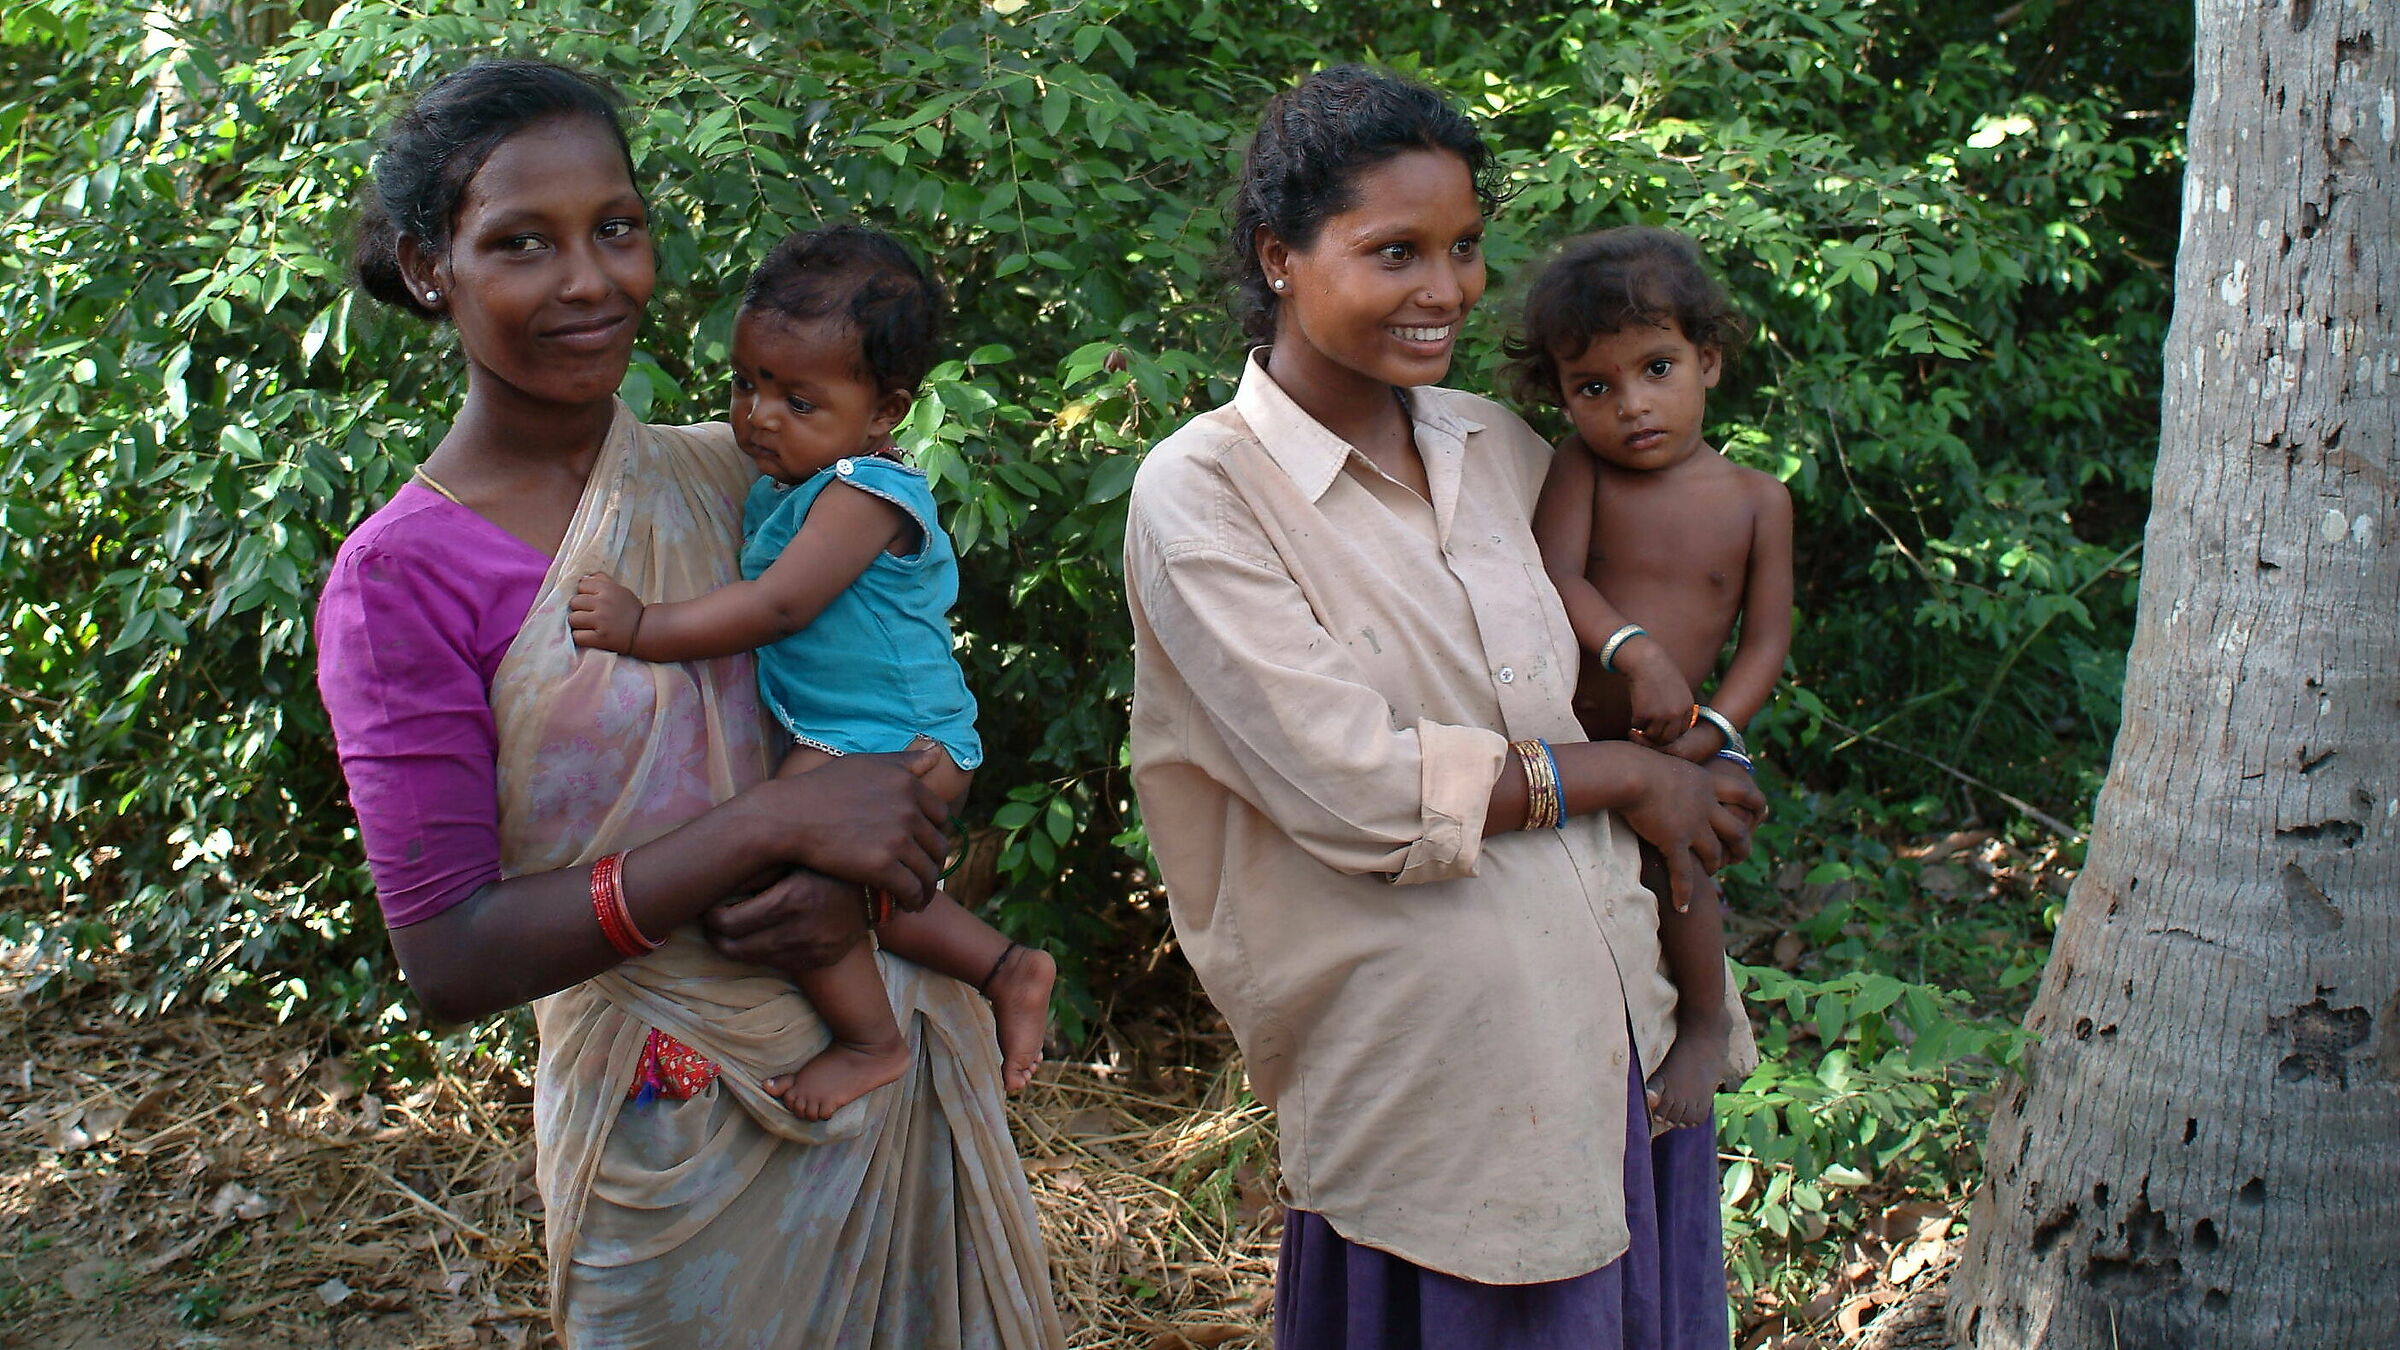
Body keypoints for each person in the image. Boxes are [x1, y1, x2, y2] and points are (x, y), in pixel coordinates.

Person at [313, 59, 1062, 1347]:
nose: (590, 280)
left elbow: (896, 715)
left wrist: (852, 879)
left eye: (616, 228)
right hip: (662, 1136)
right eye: (523, 243)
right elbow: (450, 958)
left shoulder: (752, 479)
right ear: (432, 269)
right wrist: (766, 831)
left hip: (888, 1076)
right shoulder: (400, 581)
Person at [1124, 65, 1763, 1350]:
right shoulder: (1206, 495)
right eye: (1395, 251)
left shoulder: (1502, 447)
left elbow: (1622, 676)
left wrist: (1701, 757)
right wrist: (1632, 781)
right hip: (1439, 1102)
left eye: (1464, 247)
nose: (1447, 288)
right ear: (1280, 256)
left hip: (1618, 1043)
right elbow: (1361, 790)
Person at [568, 225, 1055, 1121]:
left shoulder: (864, 494)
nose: (758, 416)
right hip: (856, 733)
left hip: (893, 738)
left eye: (798, 400)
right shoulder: (788, 483)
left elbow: (780, 607)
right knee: (870, 896)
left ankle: (871, 1043)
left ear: (884, 414)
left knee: (776, 878)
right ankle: (1007, 967)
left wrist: (643, 628)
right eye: (745, 384)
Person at [1518, 227, 1794, 1130]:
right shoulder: (1582, 470)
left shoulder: (1757, 500)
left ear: (1708, 360)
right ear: (1562, 396)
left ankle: (1708, 1023)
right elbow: (1557, 577)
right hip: (1578, 736)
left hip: (1695, 737)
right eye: (1593, 388)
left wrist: (1711, 734)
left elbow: (1765, 644)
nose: (1631, 405)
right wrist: (1636, 652)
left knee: (1682, 859)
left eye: (1657, 369)